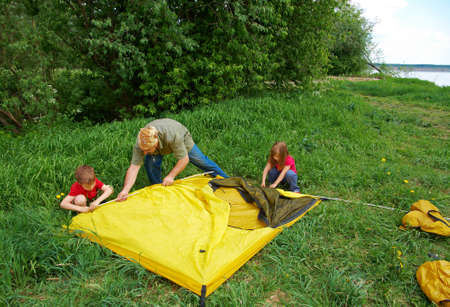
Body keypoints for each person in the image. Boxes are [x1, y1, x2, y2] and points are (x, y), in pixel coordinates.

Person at [117, 118, 228, 201]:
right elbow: (134, 167)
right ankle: (159, 190)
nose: (144, 153)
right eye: (143, 150)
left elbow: (184, 159)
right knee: (150, 165)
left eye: (147, 150)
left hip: (181, 137)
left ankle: (227, 181)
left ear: (155, 144)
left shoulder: (172, 135)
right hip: (158, 144)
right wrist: (125, 190)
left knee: (202, 161)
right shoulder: (142, 142)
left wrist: (171, 176)